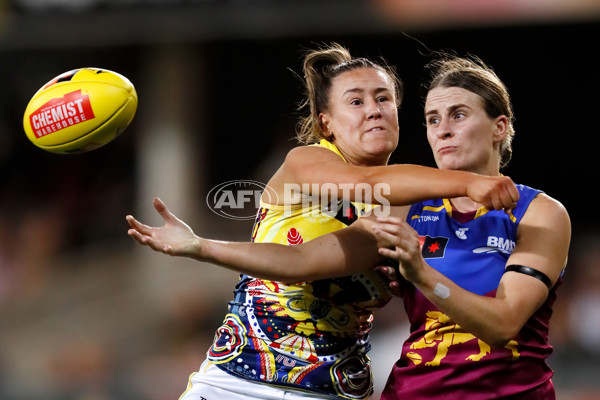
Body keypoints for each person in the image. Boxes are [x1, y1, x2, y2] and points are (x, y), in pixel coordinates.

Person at [127, 45, 519, 400]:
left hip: (333, 391)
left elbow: (319, 262)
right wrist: (200, 246)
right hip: (237, 383)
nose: (373, 109)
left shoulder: (407, 211)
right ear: (326, 122)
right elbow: (350, 203)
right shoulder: (307, 161)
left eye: (384, 99)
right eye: (356, 101)